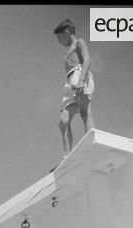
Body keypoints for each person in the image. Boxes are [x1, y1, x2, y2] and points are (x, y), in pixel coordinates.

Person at [54, 18, 95, 163]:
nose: (59, 42)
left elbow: (87, 59)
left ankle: (90, 146)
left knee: (85, 112)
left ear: (66, 32)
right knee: (63, 121)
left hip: (79, 74)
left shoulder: (79, 42)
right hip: (69, 82)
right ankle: (67, 157)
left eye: (60, 38)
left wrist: (82, 80)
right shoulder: (66, 53)